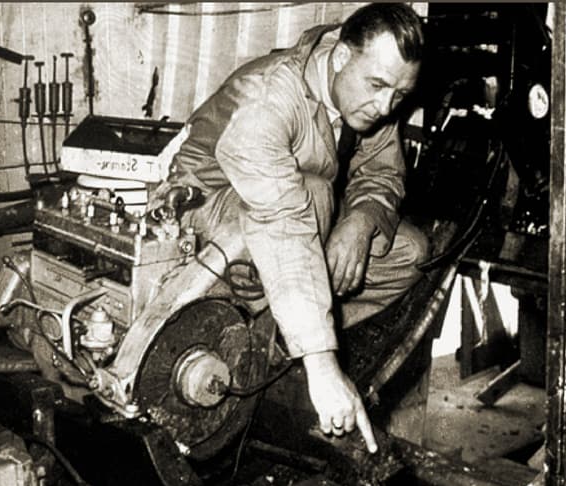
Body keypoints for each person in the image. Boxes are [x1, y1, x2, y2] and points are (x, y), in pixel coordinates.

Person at [158, 3, 429, 453]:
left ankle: (284, 340)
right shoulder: (271, 93)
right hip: (207, 208)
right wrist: (323, 364)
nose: (385, 106)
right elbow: (283, 218)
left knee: (410, 252)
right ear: (340, 57)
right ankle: (298, 339)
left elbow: (383, 175)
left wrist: (360, 222)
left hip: (290, 210)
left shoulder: (372, 95)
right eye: (378, 86)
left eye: (400, 95)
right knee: (314, 196)